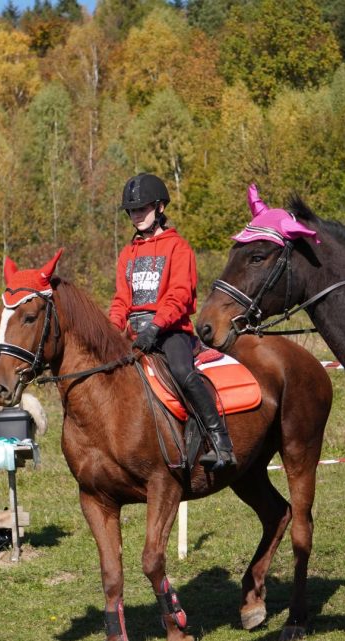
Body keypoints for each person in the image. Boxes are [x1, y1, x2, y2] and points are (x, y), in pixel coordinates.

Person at [108, 173, 236, 470]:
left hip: (170, 331)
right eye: (132, 211)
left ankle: (220, 440)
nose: (136, 215)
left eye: (142, 208)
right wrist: (111, 331)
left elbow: (180, 294)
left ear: (160, 208)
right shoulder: (127, 253)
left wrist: (156, 326)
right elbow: (120, 300)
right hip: (134, 333)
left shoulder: (178, 248)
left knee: (181, 370)